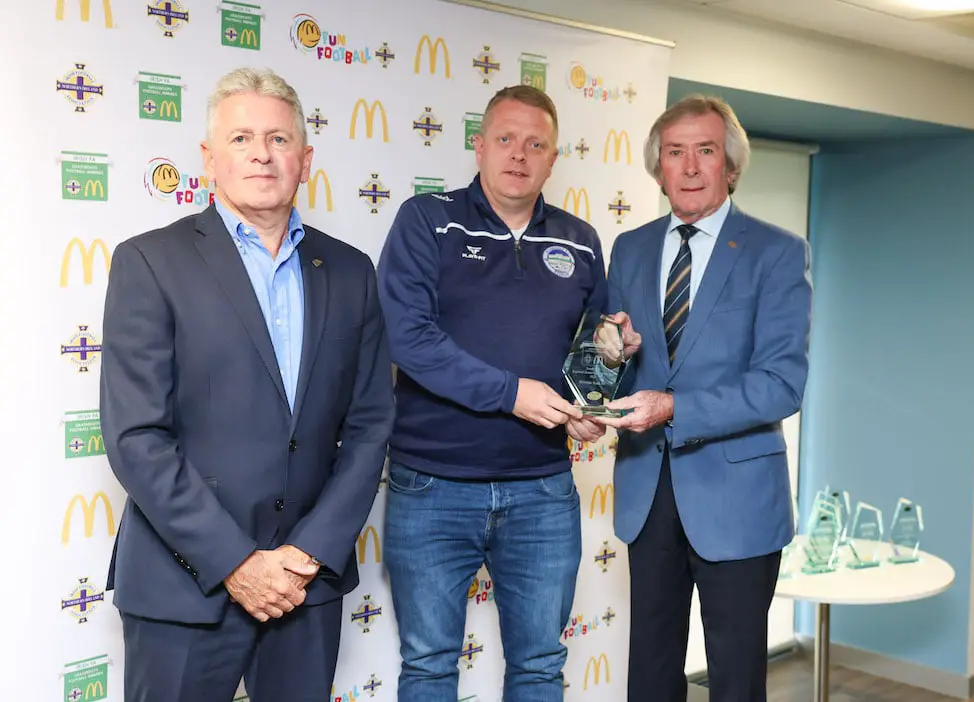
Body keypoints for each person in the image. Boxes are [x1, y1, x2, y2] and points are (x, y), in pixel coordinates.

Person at [99, 67, 394, 702]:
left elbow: (370, 427)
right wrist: (236, 563)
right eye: (240, 139)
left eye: (279, 138)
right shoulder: (150, 262)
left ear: (306, 159)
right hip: (185, 585)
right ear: (209, 159)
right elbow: (135, 437)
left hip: (305, 584)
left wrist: (306, 557)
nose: (261, 153)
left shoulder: (350, 271)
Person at [376, 84, 607, 701]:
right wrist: (512, 394)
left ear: (554, 159)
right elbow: (410, 339)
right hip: (432, 485)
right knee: (428, 665)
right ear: (478, 147)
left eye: (536, 144)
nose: (518, 154)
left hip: (543, 489)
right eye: (505, 139)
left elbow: (590, 351)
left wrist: (596, 390)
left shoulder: (582, 241)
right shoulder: (427, 220)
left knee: (538, 667)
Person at [596, 94, 812, 702]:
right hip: (647, 489)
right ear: (658, 167)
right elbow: (618, 366)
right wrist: (612, 356)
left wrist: (675, 408)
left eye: (705, 151)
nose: (689, 166)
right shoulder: (630, 248)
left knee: (736, 680)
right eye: (674, 152)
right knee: (650, 674)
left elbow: (781, 384)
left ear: (731, 166)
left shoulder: (777, 252)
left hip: (737, 501)